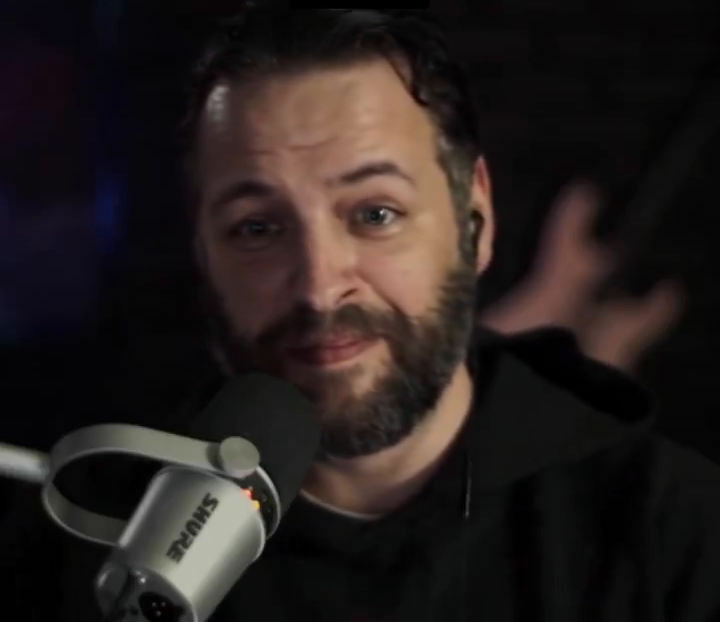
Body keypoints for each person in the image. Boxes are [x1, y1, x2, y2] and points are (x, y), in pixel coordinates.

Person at [2, 8, 716, 621]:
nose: (319, 288)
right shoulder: (79, 544)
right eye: (257, 227)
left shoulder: (672, 536)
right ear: (202, 251)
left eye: (376, 214)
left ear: (474, 220)